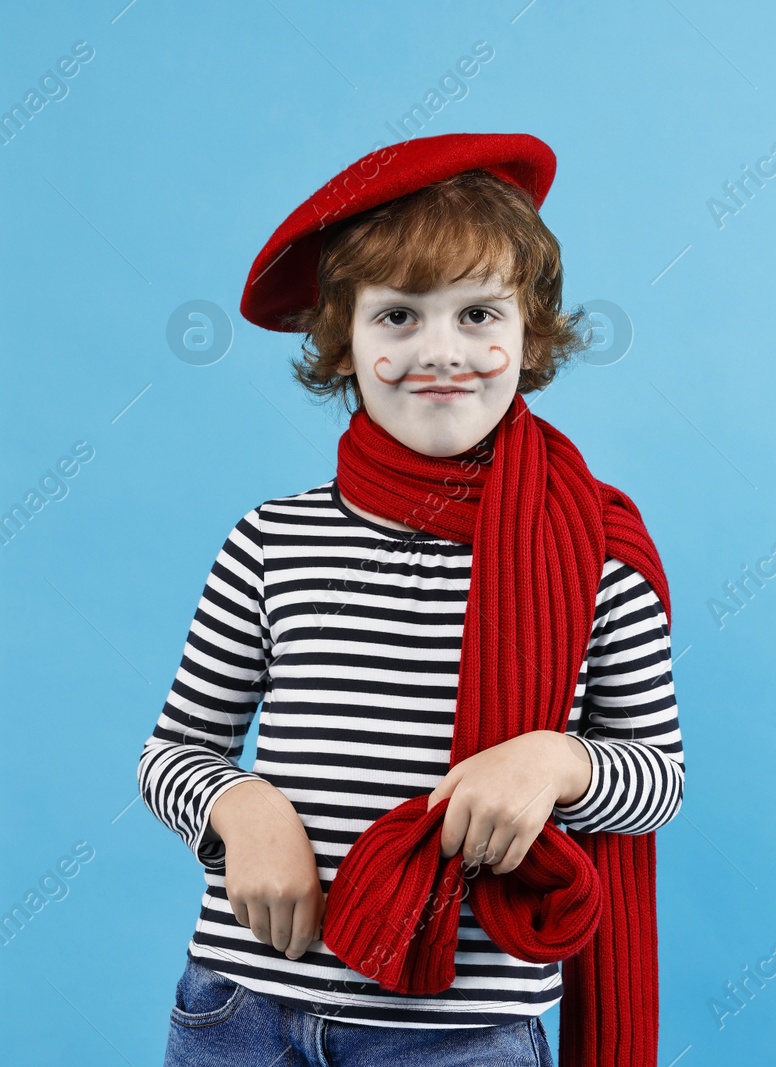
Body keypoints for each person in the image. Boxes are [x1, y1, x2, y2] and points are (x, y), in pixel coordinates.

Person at [137, 132, 683, 1067]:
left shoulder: (597, 556)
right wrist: (238, 804)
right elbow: (173, 751)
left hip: (460, 1032)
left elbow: (655, 782)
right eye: (398, 317)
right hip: (244, 1005)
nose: (443, 351)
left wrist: (553, 761)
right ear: (341, 341)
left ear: (530, 333)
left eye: (479, 313)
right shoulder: (271, 541)